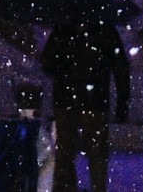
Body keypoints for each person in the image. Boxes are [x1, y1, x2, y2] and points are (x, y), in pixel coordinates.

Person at [39, 17, 130, 192]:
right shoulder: (105, 30)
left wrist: (64, 67)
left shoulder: (62, 29)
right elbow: (120, 66)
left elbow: (47, 63)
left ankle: (67, 187)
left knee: (65, 151)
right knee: (96, 153)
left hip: (67, 97)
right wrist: (122, 99)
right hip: (94, 99)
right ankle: (96, 188)